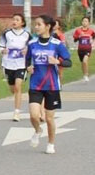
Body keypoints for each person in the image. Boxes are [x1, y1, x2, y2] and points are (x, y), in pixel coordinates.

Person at [26, 15, 72, 155]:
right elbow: (27, 60)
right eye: (35, 24)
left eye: (39, 24)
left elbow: (68, 62)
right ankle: (38, 130)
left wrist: (57, 62)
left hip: (52, 85)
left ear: (47, 26)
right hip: (36, 84)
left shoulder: (57, 44)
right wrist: (28, 67)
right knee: (34, 115)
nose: (36, 27)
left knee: (49, 118)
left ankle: (51, 144)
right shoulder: (32, 43)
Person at [0, 13, 30, 121]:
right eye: (13, 19)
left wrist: (27, 50)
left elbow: (32, 47)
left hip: (21, 64)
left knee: (18, 86)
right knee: (13, 88)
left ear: (22, 22)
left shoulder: (27, 35)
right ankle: (18, 96)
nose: (14, 21)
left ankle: (17, 112)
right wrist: (3, 50)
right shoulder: (6, 34)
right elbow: (1, 46)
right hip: (8, 64)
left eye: (17, 20)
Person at [72, 17, 95, 82]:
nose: (84, 22)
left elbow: (94, 37)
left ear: (88, 23)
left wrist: (93, 43)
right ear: (81, 22)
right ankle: (84, 74)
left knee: (85, 61)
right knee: (83, 63)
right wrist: (79, 36)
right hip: (80, 49)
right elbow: (75, 40)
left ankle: (86, 75)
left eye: (86, 21)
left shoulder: (91, 31)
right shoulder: (78, 31)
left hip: (88, 49)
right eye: (83, 21)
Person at [52, 19, 68, 84]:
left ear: (58, 26)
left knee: (59, 71)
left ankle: (59, 84)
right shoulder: (49, 33)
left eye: (55, 24)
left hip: (59, 55)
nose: (54, 25)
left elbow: (63, 45)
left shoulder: (61, 35)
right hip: (51, 54)